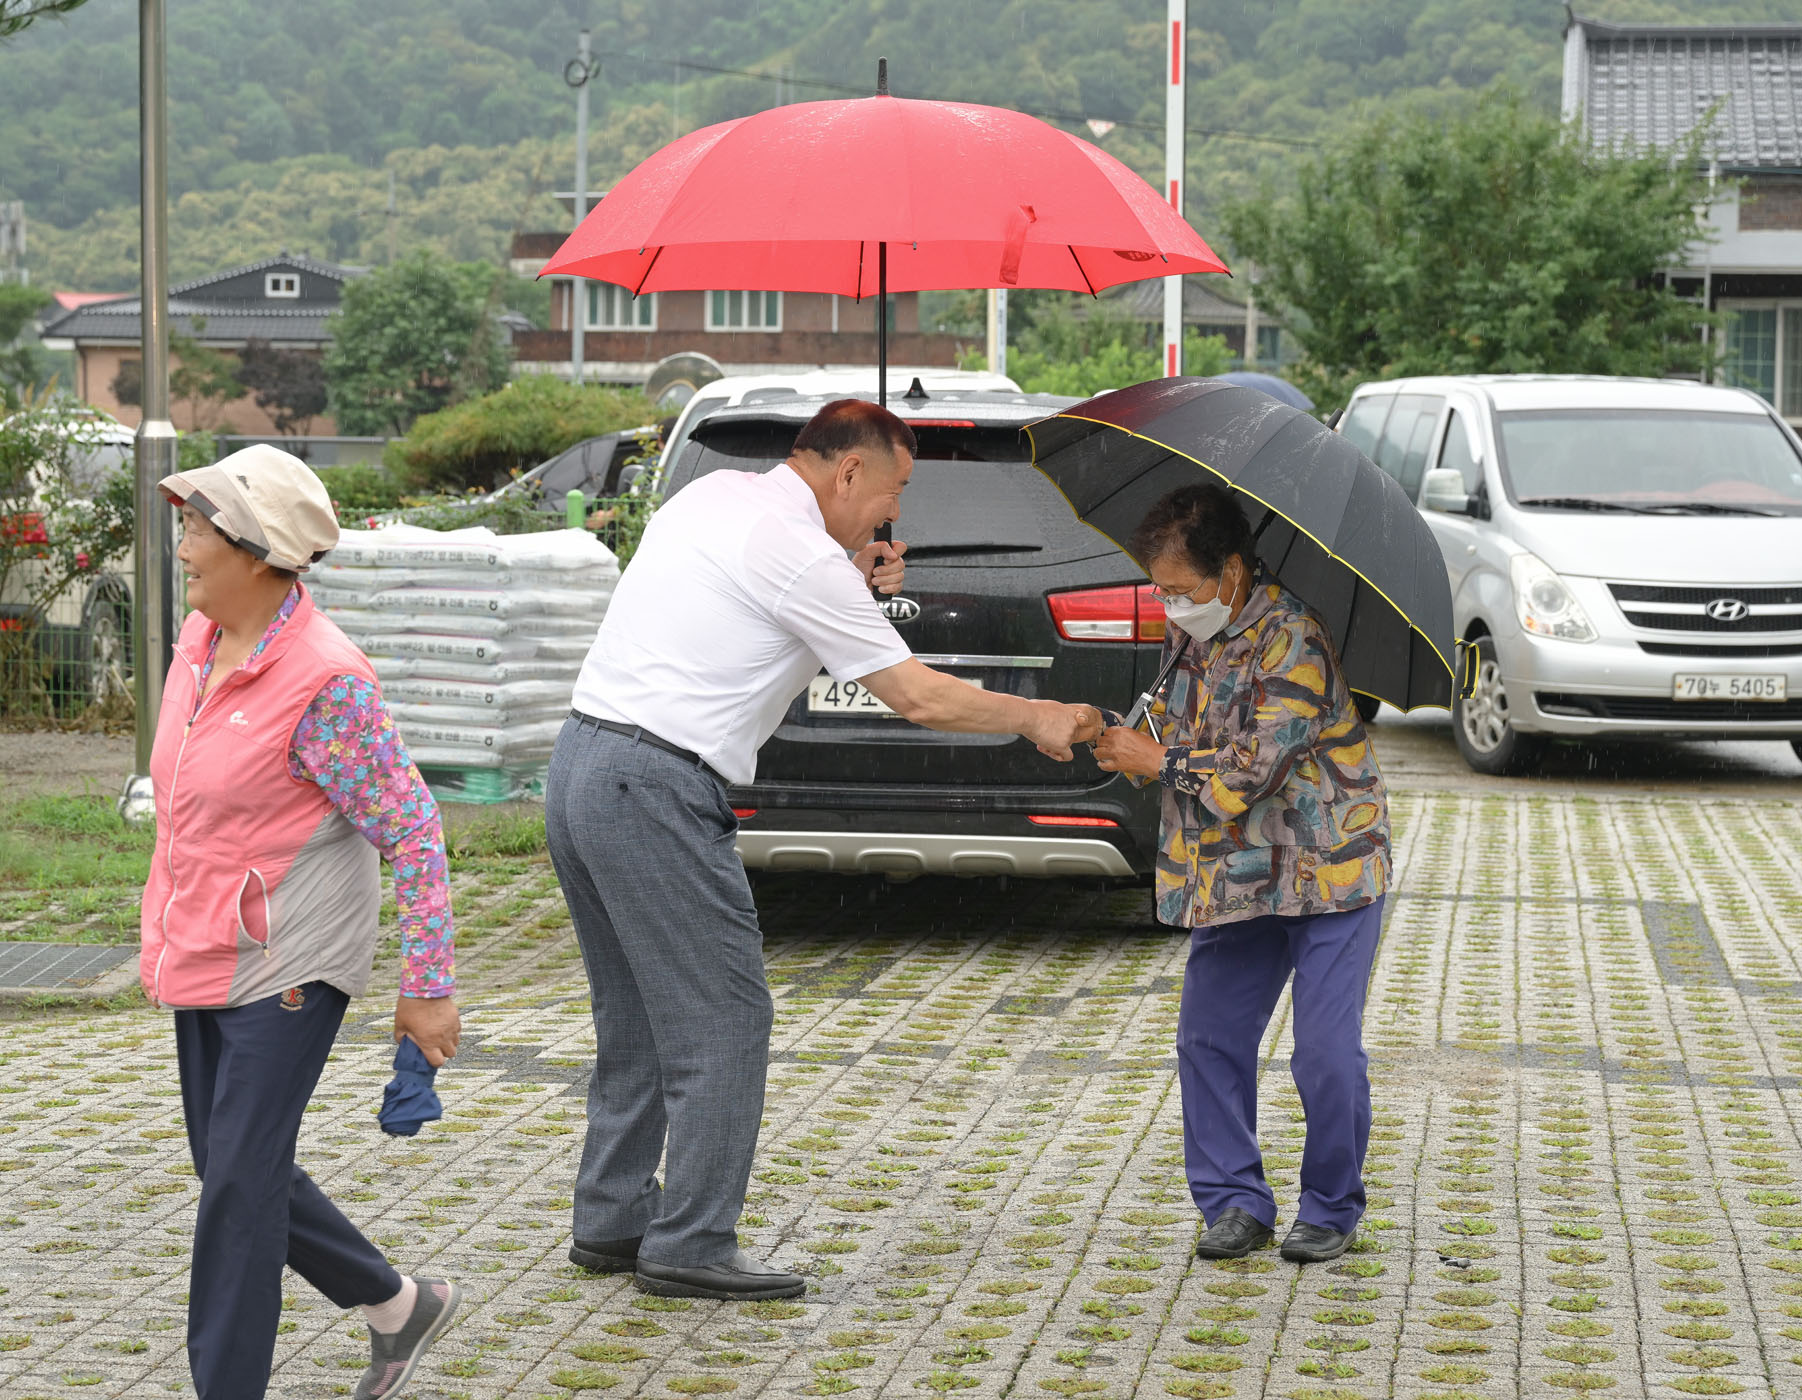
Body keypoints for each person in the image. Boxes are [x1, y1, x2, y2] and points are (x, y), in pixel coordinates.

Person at [550, 398, 1099, 1300]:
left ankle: (612, 1218)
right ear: (848, 472)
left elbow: (746, 612)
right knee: (727, 1018)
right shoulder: (804, 556)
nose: (896, 512)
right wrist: (1035, 715)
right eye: (895, 490)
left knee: (636, 1014)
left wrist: (851, 579)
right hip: (654, 789)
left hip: (584, 761)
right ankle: (691, 1241)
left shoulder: (713, 496)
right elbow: (917, 696)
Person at [140, 445, 464, 1400]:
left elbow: (415, 831)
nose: (182, 547)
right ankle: (398, 1305)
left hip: (292, 962)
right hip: (207, 946)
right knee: (232, 1165)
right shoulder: (200, 643)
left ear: (254, 551)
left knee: (238, 1193)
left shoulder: (326, 684)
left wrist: (427, 987)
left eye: (196, 528)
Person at [1088, 482, 1389, 1265]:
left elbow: (1246, 774)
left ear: (1230, 571)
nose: (1169, 604)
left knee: (1324, 1054)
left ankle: (1331, 1206)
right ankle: (1233, 1202)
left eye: (1180, 589)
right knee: (1209, 1039)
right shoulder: (1192, 632)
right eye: (1159, 590)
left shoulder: (1295, 637)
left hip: (1327, 871)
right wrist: (1114, 737)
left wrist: (1157, 760)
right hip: (1236, 872)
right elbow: (1178, 735)